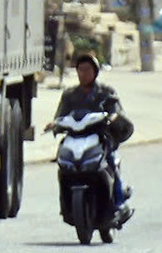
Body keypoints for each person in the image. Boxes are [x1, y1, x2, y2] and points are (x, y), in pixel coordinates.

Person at [56, 53, 134, 214]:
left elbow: (116, 111)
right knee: (63, 166)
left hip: (99, 138)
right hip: (76, 138)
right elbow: (60, 115)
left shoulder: (105, 92)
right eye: (80, 69)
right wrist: (55, 124)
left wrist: (112, 118)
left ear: (95, 72)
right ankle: (66, 206)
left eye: (87, 70)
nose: (83, 74)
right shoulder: (70, 95)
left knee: (110, 162)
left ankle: (118, 202)